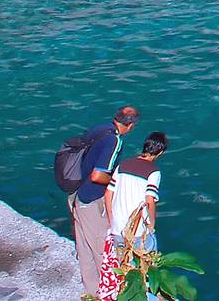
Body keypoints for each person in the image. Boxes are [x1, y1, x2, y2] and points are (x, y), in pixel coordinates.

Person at [69, 106, 139, 298]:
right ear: (131, 125)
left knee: (84, 248)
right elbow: (98, 175)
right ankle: (110, 294)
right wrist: (116, 182)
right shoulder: (114, 140)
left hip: (77, 195)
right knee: (102, 249)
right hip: (92, 199)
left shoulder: (99, 128)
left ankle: (92, 292)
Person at [99, 130, 168, 301]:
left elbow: (108, 193)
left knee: (123, 271)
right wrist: (151, 224)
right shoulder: (153, 172)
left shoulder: (123, 165)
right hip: (139, 232)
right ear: (160, 152)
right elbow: (150, 200)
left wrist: (111, 219)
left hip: (118, 227)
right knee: (146, 272)